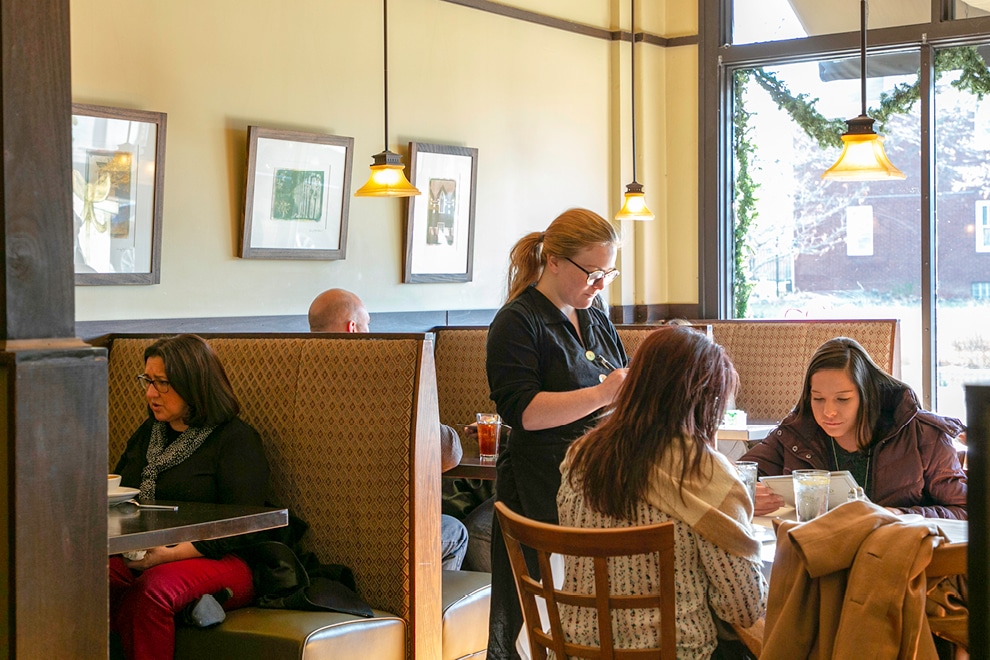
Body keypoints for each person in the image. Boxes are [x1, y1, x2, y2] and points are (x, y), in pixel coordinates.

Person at [558, 326, 767, 658]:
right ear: (705, 399)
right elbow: (743, 607)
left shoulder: (579, 457)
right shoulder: (705, 475)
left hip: (578, 651)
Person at [486, 208, 630, 659]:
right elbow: (523, 411)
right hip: (541, 483)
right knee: (547, 618)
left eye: (608, 272)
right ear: (553, 260)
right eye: (592, 272)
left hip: (599, 479)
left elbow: (616, 376)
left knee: (597, 612)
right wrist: (604, 394)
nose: (600, 284)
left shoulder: (594, 311)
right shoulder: (517, 321)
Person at [110, 334, 270, 660]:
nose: (150, 393)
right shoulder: (149, 433)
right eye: (147, 380)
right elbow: (121, 493)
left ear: (194, 385)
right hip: (145, 550)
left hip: (228, 559)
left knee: (151, 593)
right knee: (79, 578)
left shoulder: (236, 440)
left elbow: (245, 527)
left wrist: (169, 555)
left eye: (162, 383)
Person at [308, 288, 470, 570]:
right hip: (378, 536)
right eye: (368, 323)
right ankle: (427, 613)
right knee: (455, 530)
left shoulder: (296, 377)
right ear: (353, 328)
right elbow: (447, 453)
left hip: (310, 535)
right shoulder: (382, 376)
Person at [744, 337, 967, 519]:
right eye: (818, 399)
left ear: (867, 395)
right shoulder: (796, 433)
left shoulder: (922, 433)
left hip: (901, 562)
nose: (828, 411)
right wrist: (746, 495)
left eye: (843, 399)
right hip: (818, 556)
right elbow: (732, 479)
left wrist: (902, 515)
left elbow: (966, 511)